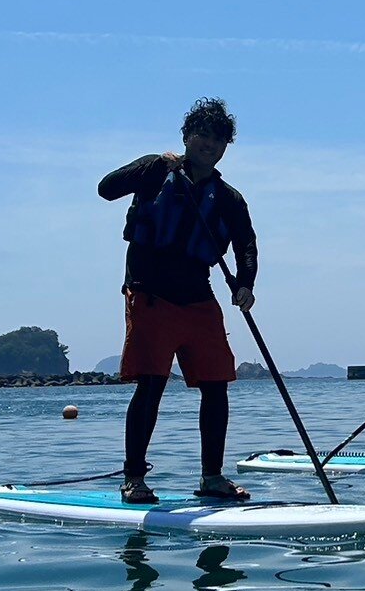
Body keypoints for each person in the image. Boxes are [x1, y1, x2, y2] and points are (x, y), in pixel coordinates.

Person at [99, 97, 256, 504]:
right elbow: (106, 189)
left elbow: (247, 246)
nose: (210, 145)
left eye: (219, 139)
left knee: (217, 385)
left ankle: (212, 478)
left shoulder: (229, 198)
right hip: (150, 292)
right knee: (151, 385)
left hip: (197, 296)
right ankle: (134, 478)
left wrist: (245, 283)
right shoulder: (156, 171)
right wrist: (150, 165)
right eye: (203, 135)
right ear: (187, 137)